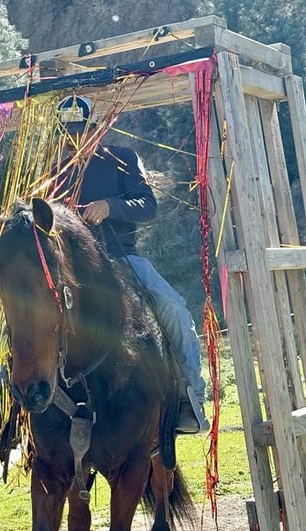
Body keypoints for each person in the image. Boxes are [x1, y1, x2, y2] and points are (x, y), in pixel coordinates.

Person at [52, 94, 209, 434]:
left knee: (172, 306)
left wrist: (110, 205)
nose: (74, 139)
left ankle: (189, 397)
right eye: (67, 133)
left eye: (81, 130)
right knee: (23, 316)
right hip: (71, 267)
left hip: (122, 255)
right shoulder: (53, 170)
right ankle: (4, 410)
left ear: (96, 128)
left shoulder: (122, 159)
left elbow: (147, 204)